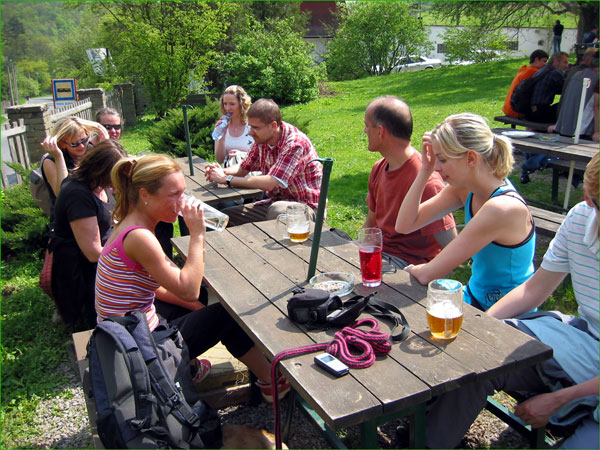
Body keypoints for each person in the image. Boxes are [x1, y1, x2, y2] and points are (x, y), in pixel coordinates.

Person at [425, 153, 599, 449]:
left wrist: (559, 399)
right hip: (586, 344)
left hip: (585, 360)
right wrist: (483, 328)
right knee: (482, 352)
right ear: (588, 197)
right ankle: (428, 442)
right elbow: (534, 290)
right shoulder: (580, 218)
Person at [95, 153, 290, 402]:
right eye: (174, 194)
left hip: (122, 332)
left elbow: (155, 286)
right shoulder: (139, 237)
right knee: (226, 316)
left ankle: (192, 366)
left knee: (202, 307)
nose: (183, 202)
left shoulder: (127, 223)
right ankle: (272, 381)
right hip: (137, 347)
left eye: (183, 193)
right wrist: (198, 234)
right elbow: (188, 290)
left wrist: (195, 305)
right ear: (145, 195)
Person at [395, 113, 536, 311]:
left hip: (509, 316)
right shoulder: (464, 189)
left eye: (442, 159)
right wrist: (425, 170)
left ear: (471, 158)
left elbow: (429, 273)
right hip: (475, 299)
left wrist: (413, 269)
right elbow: (404, 225)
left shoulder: (502, 208)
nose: (436, 167)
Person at [362, 96, 456, 268]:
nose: (365, 131)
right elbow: (370, 225)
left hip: (408, 266)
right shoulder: (379, 168)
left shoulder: (428, 182)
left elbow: (451, 248)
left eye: (367, 125)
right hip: (379, 254)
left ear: (380, 131)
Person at [205, 99, 323, 226]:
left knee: (277, 211)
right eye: (250, 127)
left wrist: (227, 179)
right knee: (220, 219)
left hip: (306, 209)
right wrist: (221, 171)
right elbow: (244, 168)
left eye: (255, 128)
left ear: (273, 125)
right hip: (274, 203)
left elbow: (270, 183)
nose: (251, 132)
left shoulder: (295, 143)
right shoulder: (262, 139)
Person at [50, 140, 126, 329]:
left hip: (102, 259)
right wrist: (129, 255)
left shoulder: (98, 185)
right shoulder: (78, 195)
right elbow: (92, 253)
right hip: (83, 271)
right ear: (102, 171)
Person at [40, 117, 109, 222]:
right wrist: (58, 157)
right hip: (71, 219)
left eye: (84, 140)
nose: (81, 146)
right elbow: (62, 192)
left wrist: (105, 146)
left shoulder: (90, 150)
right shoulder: (51, 161)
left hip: (97, 212)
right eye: (74, 144)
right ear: (62, 143)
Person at [552, 51, 599, 140]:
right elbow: (596, 107)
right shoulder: (597, 77)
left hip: (566, 126)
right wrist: (597, 132)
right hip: (586, 129)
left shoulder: (577, 74)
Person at [213, 85, 254, 167]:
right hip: (229, 171)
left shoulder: (252, 125)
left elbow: (263, 156)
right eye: (225, 104)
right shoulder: (221, 125)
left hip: (250, 171)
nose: (227, 108)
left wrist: (242, 155)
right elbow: (220, 160)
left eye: (232, 104)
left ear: (242, 105)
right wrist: (222, 138)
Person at [502, 49, 549, 118]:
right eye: (544, 61)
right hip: (516, 110)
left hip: (508, 108)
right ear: (536, 59)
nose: (545, 64)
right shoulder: (533, 71)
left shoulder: (525, 69)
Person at [526, 51, 569, 124]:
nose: (567, 66)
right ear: (556, 62)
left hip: (530, 111)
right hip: (540, 113)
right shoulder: (555, 73)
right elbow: (566, 90)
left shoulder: (542, 70)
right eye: (565, 62)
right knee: (568, 105)